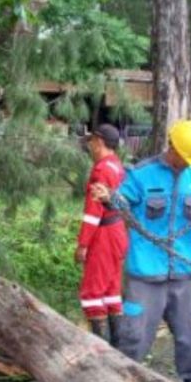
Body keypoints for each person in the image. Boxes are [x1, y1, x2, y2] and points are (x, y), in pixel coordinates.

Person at [92, 120, 191, 382]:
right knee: (135, 336)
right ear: (172, 147)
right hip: (145, 275)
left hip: (182, 273)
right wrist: (107, 197)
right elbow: (122, 202)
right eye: (186, 157)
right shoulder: (142, 175)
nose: (188, 163)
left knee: (189, 335)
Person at [76, 124, 129, 344]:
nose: (89, 145)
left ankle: (101, 352)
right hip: (117, 232)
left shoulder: (100, 169)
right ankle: (118, 346)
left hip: (103, 235)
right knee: (111, 290)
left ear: (99, 141)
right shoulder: (117, 166)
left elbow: (93, 212)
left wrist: (83, 245)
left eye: (91, 141)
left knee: (92, 292)